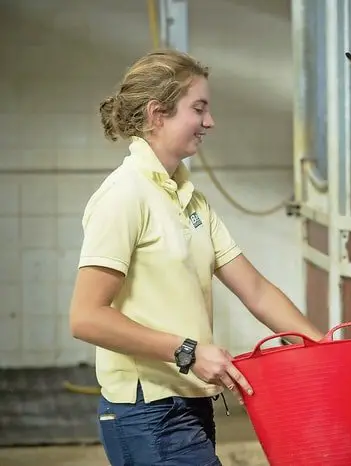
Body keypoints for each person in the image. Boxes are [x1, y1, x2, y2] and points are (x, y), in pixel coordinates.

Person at [69, 49, 324, 466]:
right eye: (199, 109)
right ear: (157, 114)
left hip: (188, 402)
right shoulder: (123, 196)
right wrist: (186, 351)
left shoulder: (190, 199)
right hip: (146, 408)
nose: (210, 122)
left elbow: (255, 290)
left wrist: (322, 347)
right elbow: (86, 316)